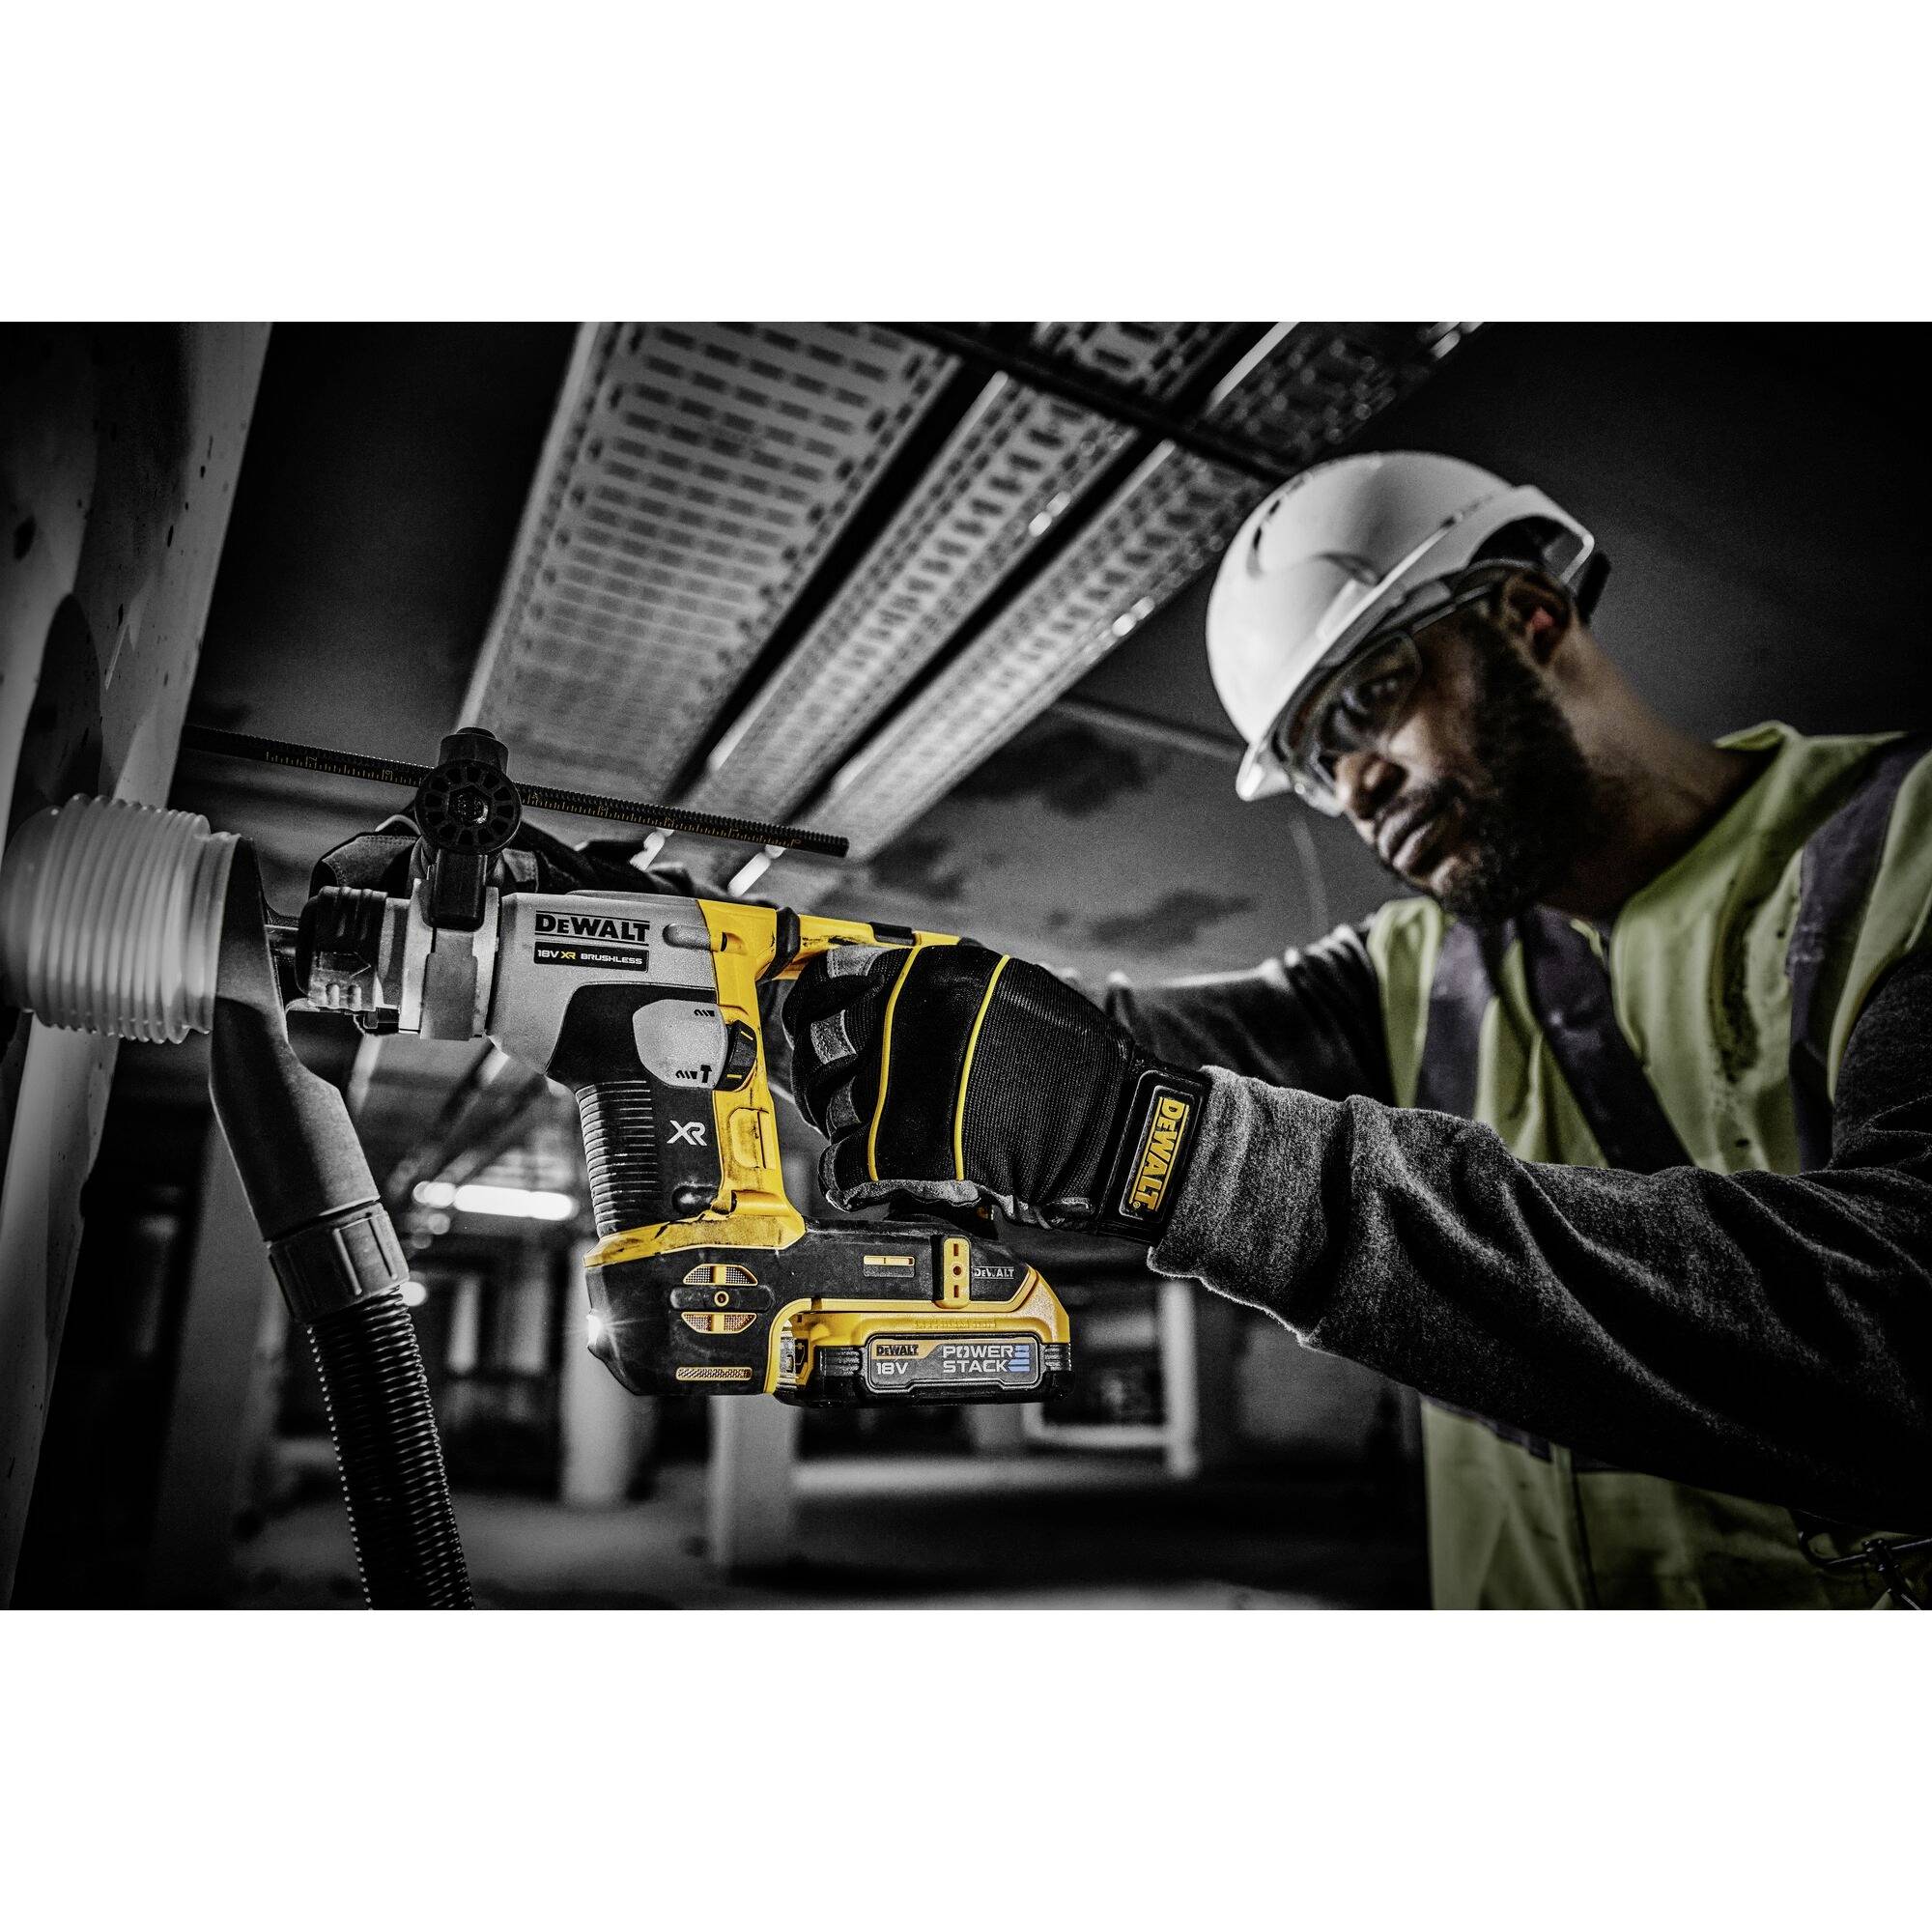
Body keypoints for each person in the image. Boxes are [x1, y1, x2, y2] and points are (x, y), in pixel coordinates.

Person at [782, 451, 1932, 1609]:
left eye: (1365, 701)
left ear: (1528, 617)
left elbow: (1893, 1325)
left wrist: (1172, 1151)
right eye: (1316, 764)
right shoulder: (1412, 968)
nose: (1355, 784)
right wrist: (756, 969)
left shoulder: (1905, 853)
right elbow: (1081, 1037)